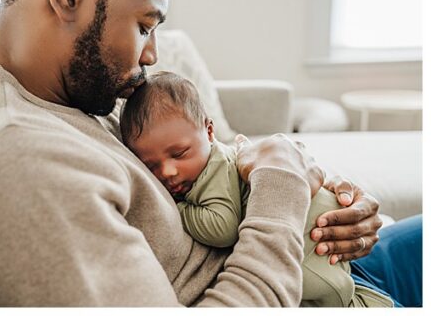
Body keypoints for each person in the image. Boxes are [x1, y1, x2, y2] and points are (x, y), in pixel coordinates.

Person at [0, 0, 412, 306]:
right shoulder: (20, 165)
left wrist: (323, 196)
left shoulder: (64, 86)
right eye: (143, 25)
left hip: (322, 264)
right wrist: (282, 183)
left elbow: (226, 160)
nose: (152, 54)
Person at [118, 71, 392, 307]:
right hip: (314, 255)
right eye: (150, 164)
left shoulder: (212, 173)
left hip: (315, 241)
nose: (167, 172)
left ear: (209, 132)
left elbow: (222, 227)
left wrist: (177, 208)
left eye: (179, 153)